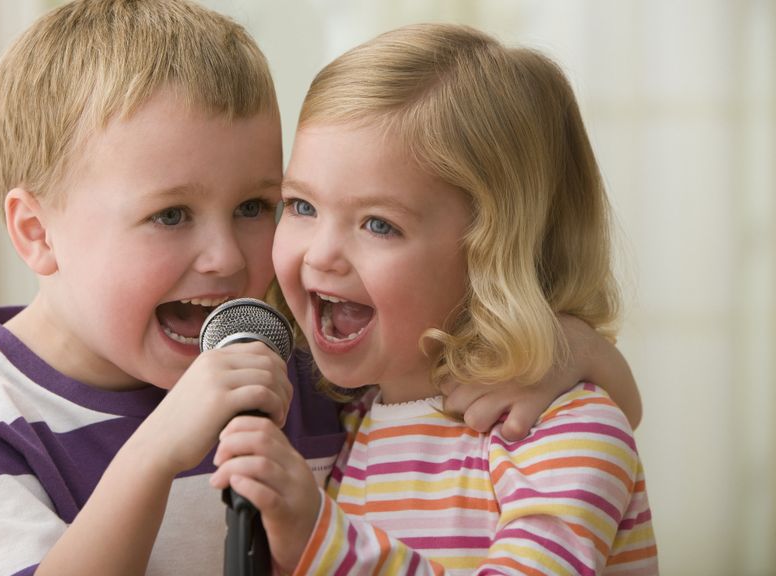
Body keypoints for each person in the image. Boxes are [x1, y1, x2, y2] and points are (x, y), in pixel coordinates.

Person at [0, 2, 641, 574]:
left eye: (258, 205)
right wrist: (157, 449)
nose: (227, 257)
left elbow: (556, 418)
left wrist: (570, 350)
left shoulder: (297, 360)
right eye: (170, 214)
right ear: (37, 232)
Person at [210, 23, 658, 574]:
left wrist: (319, 537)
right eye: (301, 205)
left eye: (379, 224)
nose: (321, 254)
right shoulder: (346, 416)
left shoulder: (562, 429)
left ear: (494, 253)